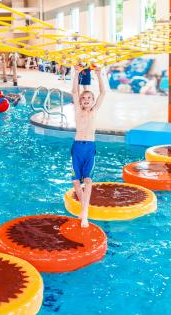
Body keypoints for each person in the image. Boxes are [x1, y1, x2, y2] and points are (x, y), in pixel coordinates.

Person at [71, 65, 106, 228]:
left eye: (89, 98)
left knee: (88, 180)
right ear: (80, 101)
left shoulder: (94, 111)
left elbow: (103, 93)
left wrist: (99, 75)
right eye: (83, 98)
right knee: (76, 182)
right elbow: (74, 92)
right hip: (77, 147)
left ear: (93, 102)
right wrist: (76, 74)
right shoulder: (78, 111)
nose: (86, 100)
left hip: (89, 147)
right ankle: (84, 210)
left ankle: (84, 213)